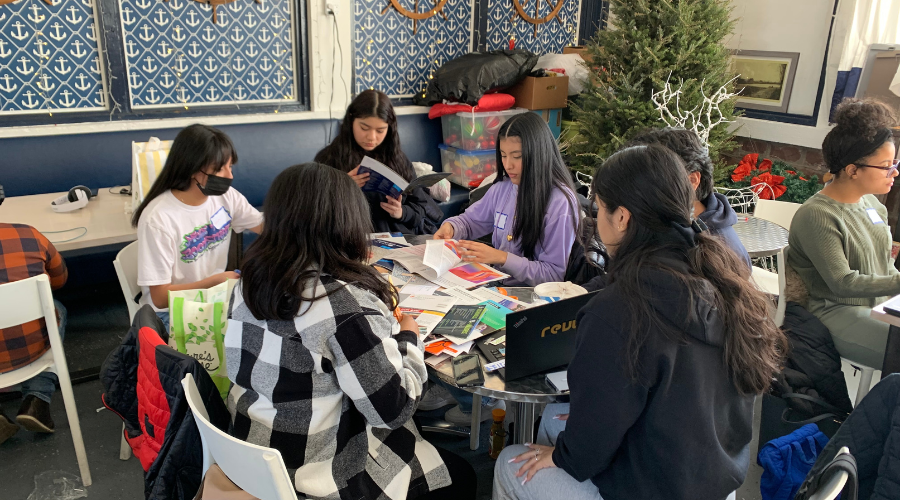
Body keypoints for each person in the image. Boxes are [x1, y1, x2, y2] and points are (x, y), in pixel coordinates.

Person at [493, 145, 787, 500]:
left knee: (510, 462)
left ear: (622, 218)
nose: (594, 217)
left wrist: (566, 453)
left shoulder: (618, 310)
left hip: (650, 487)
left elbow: (587, 449)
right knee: (557, 418)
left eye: (598, 207)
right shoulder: (723, 278)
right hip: (714, 479)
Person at [225, 163, 476, 500]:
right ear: (346, 223)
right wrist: (408, 337)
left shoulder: (249, 282)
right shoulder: (337, 304)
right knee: (461, 477)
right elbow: (392, 410)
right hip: (312, 471)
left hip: (252, 448)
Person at [788, 98, 900, 370]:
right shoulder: (818, 215)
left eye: (895, 162)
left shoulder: (872, 203)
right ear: (852, 170)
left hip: (883, 306)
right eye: (886, 165)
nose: (894, 172)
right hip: (835, 313)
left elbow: (884, 264)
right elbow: (843, 283)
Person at [132, 124, 263, 331]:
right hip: (171, 313)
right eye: (220, 168)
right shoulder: (158, 218)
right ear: (193, 169)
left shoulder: (225, 197)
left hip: (214, 298)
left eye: (231, 167)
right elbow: (159, 298)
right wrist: (215, 281)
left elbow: (262, 226)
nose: (230, 176)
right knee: (249, 337)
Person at [434, 112, 580, 287]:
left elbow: (553, 275)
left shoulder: (560, 203)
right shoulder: (502, 188)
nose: (508, 165)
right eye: (503, 155)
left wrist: (501, 258)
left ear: (538, 154)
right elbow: (470, 221)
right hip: (495, 285)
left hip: (531, 299)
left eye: (517, 156)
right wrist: (451, 227)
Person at [314, 89, 444, 234]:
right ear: (351, 121)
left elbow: (419, 208)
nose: (372, 137)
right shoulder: (329, 158)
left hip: (397, 236)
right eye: (364, 128)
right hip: (350, 238)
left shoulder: (398, 159)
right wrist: (343, 190)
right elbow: (315, 214)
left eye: (380, 130)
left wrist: (401, 212)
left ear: (389, 128)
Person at [0, 223, 69, 444]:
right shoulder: (28, 235)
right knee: (56, 308)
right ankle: (37, 399)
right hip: (29, 349)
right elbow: (59, 280)